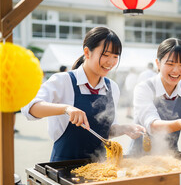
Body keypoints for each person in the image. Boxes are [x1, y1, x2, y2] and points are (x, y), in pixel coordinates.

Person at [21, 27, 145, 162]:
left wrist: (124, 129)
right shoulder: (63, 81)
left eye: (115, 56)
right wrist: (66, 108)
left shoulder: (112, 88)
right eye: (105, 55)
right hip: (63, 166)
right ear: (87, 52)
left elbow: (105, 132)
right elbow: (28, 108)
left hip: (100, 167)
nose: (111, 62)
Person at [130, 38, 181, 154]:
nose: (176, 70)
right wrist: (179, 124)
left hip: (170, 157)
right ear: (158, 63)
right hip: (139, 158)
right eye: (170, 64)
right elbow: (152, 125)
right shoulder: (144, 88)